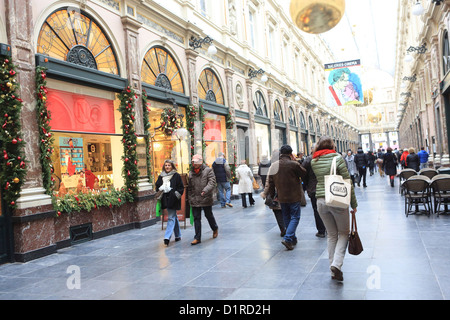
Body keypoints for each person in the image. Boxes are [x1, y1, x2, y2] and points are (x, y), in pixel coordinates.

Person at [311, 136, 357, 282]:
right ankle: (336, 264)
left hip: (321, 201)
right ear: (332, 145)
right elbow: (348, 182)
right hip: (336, 199)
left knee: (331, 235)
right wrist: (354, 204)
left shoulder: (314, 160)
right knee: (343, 233)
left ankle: (333, 268)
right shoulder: (337, 158)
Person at [263, 144, 307, 250]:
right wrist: (295, 161)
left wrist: (272, 195)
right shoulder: (293, 164)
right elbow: (304, 174)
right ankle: (288, 238)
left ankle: (292, 237)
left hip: (282, 196)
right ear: (290, 153)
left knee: (287, 217)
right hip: (294, 195)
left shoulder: (274, 165)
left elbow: (271, 183)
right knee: (295, 217)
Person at [187, 154, 219, 245]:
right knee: (197, 218)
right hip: (195, 198)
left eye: (197, 162)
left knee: (208, 215)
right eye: (194, 162)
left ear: (201, 162)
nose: (195, 163)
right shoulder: (191, 173)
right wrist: (190, 197)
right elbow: (189, 187)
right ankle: (197, 237)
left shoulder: (208, 170)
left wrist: (205, 190)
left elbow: (212, 183)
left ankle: (215, 228)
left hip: (205, 197)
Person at [155, 159, 184, 246]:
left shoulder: (176, 176)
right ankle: (178, 235)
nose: (167, 167)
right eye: (166, 165)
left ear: (172, 166)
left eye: (169, 165)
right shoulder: (161, 176)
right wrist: (160, 190)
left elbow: (181, 187)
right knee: (173, 216)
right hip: (165, 199)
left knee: (171, 217)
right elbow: (157, 186)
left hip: (173, 199)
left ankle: (167, 237)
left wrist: (176, 195)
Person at [302, 153, 326, 238]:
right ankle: (329, 228)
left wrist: (306, 184)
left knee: (317, 210)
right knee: (329, 208)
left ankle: (321, 230)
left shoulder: (309, 159)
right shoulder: (328, 157)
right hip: (327, 187)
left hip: (314, 188)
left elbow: (303, 173)